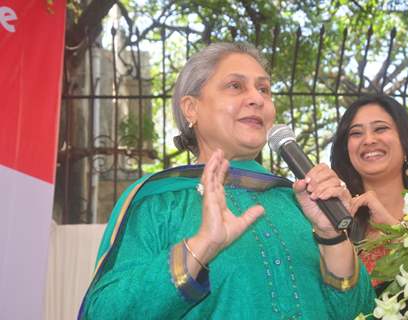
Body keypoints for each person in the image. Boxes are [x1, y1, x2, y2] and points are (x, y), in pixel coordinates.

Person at [78, 42, 375, 319]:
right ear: (191, 108)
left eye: (264, 89)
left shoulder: (299, 203)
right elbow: (105, 312)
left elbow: (360, 310)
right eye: (235, 86)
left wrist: (331, 236)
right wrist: (200, 246)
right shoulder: (159, 201)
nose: (257, 99)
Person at [330, 94, 408, 288]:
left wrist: (394, 230)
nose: (368, 140)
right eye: (356, 133)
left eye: (380, 128)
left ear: (405, 143)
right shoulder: (337, 228)